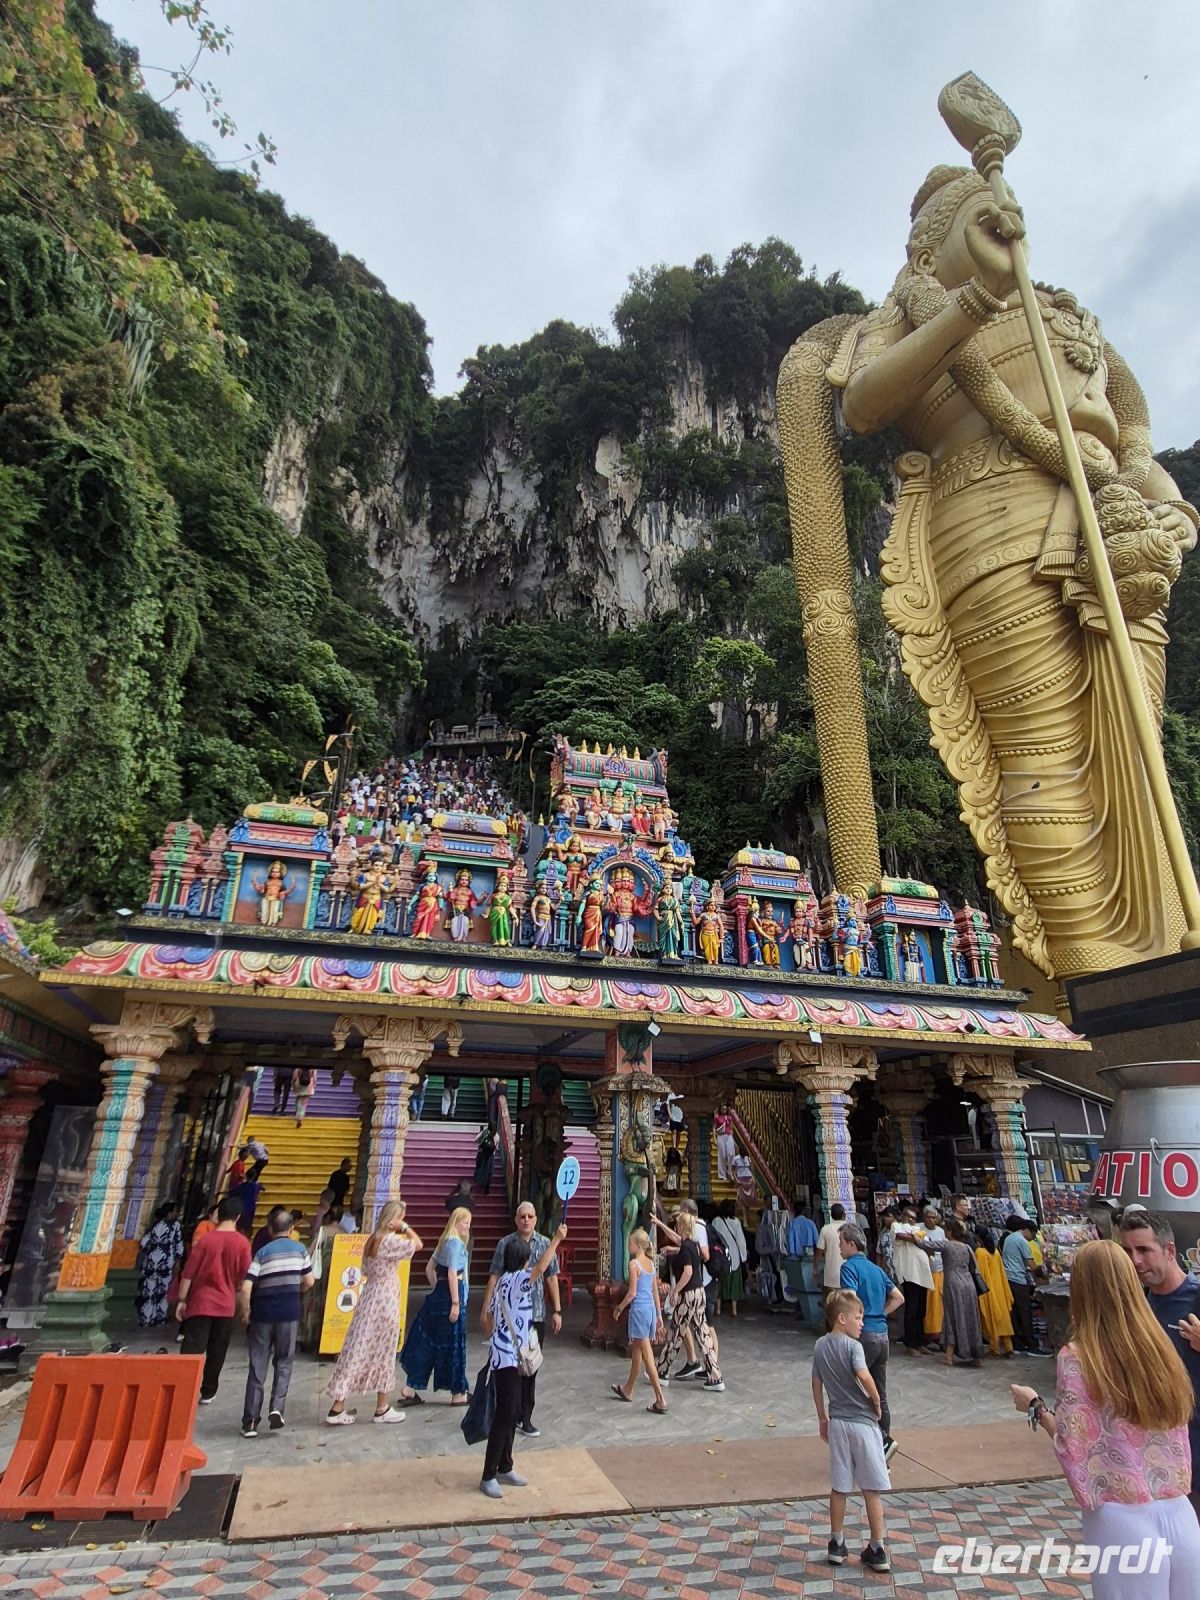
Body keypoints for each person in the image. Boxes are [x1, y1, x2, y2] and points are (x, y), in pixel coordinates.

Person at [1013, 1240, 1200, 1598]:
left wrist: (1036, 1406)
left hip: (1122, 1520)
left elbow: (1073, 1449)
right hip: (1180, 1515)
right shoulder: (1161, 1347)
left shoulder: (1079, 1357)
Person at [1119, 1209, 1200, 1511]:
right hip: (1155, 1463)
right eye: (1128, 1251)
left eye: (1143, 1250)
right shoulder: (1135, 1307)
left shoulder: (1196, 1298)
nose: (1135, 1261)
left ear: (1169, 1251)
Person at [479, 1223, 568, 1499]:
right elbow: (541, 1269)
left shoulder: (504, 1281)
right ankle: (488, 1473)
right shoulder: (516, 1280)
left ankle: (505, 1465)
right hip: (507, 1357)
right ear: (522, 1259)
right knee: (505, 1413)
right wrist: (556, 1239)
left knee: (513, 1409)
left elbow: (492, 1318)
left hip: (507, 1353)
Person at [812, 1288, 891, 1573]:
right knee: (871, 1488)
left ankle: (836, 1542)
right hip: (862, 1424)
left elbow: (816, 1383)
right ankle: (877, 1547)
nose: (862, 1323)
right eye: (858, 1318)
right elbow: (863, 1374)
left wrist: (822, 1417)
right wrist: (877, 1401)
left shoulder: (820, 1345)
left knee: (840, 1485)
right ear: (842, 1319)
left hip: (838, 1423)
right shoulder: (853, 1347)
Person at [325, 1201, 421, 1426]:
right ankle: (380, 1407)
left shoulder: (372, 1240)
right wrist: (405, 1227)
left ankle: (345, 1403)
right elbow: (417, 1244)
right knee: (383, 1350)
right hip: (385, 1299)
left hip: (370, 1295)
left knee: (358, 1347)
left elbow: (365, 1270)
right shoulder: (390, 1241)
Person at [479, 1201, 562, 1438]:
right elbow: (494, 1276)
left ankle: (525, 1416)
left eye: (530, 1216)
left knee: (530, 1366)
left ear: (535, 1219)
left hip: (535, 1315)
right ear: (516, 1220)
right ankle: (505, 1412)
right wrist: (485, 1310)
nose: (526, 1220)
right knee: (507, 1371)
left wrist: (556, 1309)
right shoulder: (506, 1244)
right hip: (510, 1320)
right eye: (522, 1216)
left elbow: (551, 1277)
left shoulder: (544, 1244)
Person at [239, 1207, 314, 1438]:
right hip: (289, 1313)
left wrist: (246, 1311)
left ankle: (251, 1421)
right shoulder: (300, 1250)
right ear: (291, 1229)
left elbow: (246, 1286)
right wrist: (295, 1290)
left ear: (270, 1229)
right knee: (284, 1362)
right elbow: (309, 1281)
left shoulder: (263, 1252)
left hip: (263, 1313)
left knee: (257, 1364)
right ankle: (277, 1409)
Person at [838, 1224, 904, 1461]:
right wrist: (881, 1313)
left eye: (841, 1243)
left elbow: (850, 1299)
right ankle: (883, 1438)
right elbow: (898, 1297)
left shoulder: (849, 1268)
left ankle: (871, 1442)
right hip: (882, 1334)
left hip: (863, 1335)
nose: (839, 1248)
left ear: (851, 1244)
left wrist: (856, 1320)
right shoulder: (877, 1270)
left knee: (853, 1388)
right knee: (880, 1391)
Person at [176, 1196, 250, 1403]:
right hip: (226, 1305)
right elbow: (246, 1279)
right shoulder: (242, 1243)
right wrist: (246, 1307)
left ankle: (184, 1387)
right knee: (217, 1350)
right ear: (238, 1217)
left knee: (192, 1348)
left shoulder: (206, 1240)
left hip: (200, 1302)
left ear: (219, 1215)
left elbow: (188, 1273)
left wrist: (182, 1300)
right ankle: (208, 1390)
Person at [398, 1207, 472, 1405]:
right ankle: (458, 1392)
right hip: (452, 1295)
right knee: (453, 1346)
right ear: (457, 1222)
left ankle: (410, 1386)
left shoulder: (444, 1241)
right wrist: (455, 1301)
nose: (468, 1226)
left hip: (437, 1297)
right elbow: (452, 1273)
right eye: (466, 1222)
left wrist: (437, 1288)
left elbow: (429, 1268)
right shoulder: (456, 1243)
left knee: (426, 1341)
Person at [657, 1209, 723, 1392]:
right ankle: (715, 1376)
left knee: (675, 1332)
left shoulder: (686, 1247)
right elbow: (677, 1240)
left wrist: (675, 1291)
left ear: (683, 1227)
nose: (675, 1228)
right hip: (699, 1292)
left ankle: (661, 1371)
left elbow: (688, 1272)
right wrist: (660, 1224)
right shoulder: (691, 1243)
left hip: (688, 1294)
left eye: (677, 1225)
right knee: (702, 1334)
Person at [612, 1228, 667, 1413]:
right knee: (637, 1353)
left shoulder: (634, 1264)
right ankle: (628, 1389)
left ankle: (660, 1399)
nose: (628, 1246)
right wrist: (659, 1315)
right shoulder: (651, 1264)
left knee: (647, 1356)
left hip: (639, 1311)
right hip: (650, 1310)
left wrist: (619, 1307)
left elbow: (632, 1292)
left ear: (637, 1245)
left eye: (630, 1243)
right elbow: (655, 1292)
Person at [939, 1217, 984, 1367]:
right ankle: (975, 1354)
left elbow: (924, 1244)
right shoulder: (967, 1248)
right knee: (971, 1317)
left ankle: (949, 1356)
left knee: (952, 1316)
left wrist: (913, 1236)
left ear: (950, 1232)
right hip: (969, 1284)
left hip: (953, 1285)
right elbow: (975, 1268)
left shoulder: (947, 1246)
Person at [892, 1207, 935, 1356]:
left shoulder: (918, 1229)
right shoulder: (896, 1226)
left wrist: (919, 1239)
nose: (910, 1220)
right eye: (908, 1217)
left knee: (921, 1310)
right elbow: (900, 1236)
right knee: (911, 1309)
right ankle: (910, 1344)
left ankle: (919, 1342)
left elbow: (930, 1247)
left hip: (922, 1274)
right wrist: (918, 1239)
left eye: (913, 1218)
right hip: (909, 1274)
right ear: (902, 1216)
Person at [1001, 1214, 1046, 1353]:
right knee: (1025, 1312)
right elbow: (1032, 1266)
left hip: (1008, 1278)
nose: (1032, 1238)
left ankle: (1018, 1343)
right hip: (1018, 1280)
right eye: (1032, 1234)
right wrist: (1044, 1270)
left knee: (1014, 1312)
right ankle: (1032, 1345)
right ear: (1027, 1230)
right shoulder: (1022, 1241)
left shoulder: (1009, 1238)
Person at [137, 1202, 184, 1327]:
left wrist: (152, 1250)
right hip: (166, 1262)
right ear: (170, 1213)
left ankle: (146, 1319)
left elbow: (143, 1243)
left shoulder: (154, 1224)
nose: (177, 1214)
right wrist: (177, 1260)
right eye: (175, 1211)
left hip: (151, 1263)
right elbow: (178, 1244)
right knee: (162, 1293)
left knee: (149, 1292)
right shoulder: (175, 1226)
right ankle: (160, 1318)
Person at [974, 1226, 1015, 1357]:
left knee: (990, 1318)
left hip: (989, 1290)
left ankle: (995, 1348)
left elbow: (980, 1274)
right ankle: (1009, 1347)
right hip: (1000, 1290)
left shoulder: (980, 1253)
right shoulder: (996, 1252)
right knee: (1003, 1318)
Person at [712, 1200, 748, 1318]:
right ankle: (734, 1310)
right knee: (734, 1283)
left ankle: (718, 1309)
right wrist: (743, 1256)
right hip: (734, 1256)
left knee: (720, 1282)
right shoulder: (736, 1222)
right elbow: (740, 1241)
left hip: (721, 1254)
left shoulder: (716, 1221)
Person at [920, 1206, 946, 1350]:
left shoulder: (941, 1232)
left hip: (938, 1272)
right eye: (929, 1217)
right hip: (924, 1272)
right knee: (926, 1306)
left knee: (938, 1306)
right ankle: (926, 1335)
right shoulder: (919, 1229)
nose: (931, 1220)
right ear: (924, 1218)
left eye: (934, 1217)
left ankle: (938, 1335)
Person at [814, 1203, 847, 1304]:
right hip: (848, 1273)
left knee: (831, 1304)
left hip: (831, 1276)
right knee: (846, 1304)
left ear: (831, 1216)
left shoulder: (826, 1229)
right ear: (844, 1215)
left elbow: (819, 1251)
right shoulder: (850, 1228)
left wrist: (815, 1268)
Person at [714, 1101, 735, 1181]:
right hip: (720, 1136)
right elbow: (714, 1127)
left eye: (725, 1109)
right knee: (722, 1155)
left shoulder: (729, 1117)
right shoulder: (717, 1117)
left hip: (728, 1135)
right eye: (722, 1109)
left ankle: (729, 1171)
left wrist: (732, 1137)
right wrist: (714, 1137)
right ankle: (722, 1174)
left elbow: (732, 1128)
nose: (724, 1111)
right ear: (720, 1109)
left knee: (730, 1153)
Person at [473, 1126, 496, 1193]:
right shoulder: (496, 1135)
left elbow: (476, 1139)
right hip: (491, 1155)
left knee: (480, 1166)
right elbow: (496, 1146)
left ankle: (478, 1178)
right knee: (489, 1170)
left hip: (482, 1153)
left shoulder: (485, 1133)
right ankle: (487, 1185)